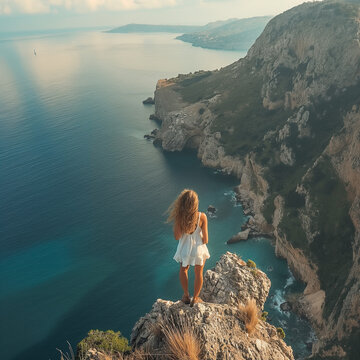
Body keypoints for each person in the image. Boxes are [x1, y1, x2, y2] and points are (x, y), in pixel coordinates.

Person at [166, 189, 210, 306]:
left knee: (183, 270)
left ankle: (186, 295)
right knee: (198, 273)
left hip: (185, 250)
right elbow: (206, 240)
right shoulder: (202, 217)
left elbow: (177, 237)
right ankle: (195, 298)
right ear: (195, 203)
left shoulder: (179, 218)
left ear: (182, 203)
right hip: (199, 250)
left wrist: (179, 222)